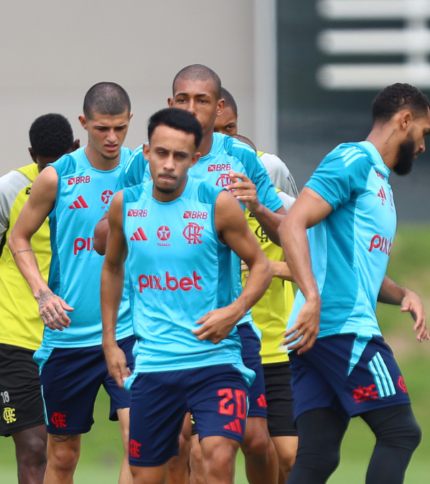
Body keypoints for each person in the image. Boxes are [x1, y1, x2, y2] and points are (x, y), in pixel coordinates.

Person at [99, 65, 286, 484]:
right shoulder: (129, 197)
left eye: (179, 156)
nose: (169, 164)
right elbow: (109, 259)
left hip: (219, 349)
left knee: (236, 448)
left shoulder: (227, 184)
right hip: (155, 357)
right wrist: (110, 340)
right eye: (161, 154)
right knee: (157, 467)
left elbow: (269, 251)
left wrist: (234, 311)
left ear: (194, 158)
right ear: (147, 153)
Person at [280, 83, 430, 484]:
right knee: (401, 432)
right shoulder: (352, 159)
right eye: (424, 133)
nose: (423, 146)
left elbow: (362, 270)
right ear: (404, 120)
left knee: (318, 456)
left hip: (313, 333)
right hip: (339, 327)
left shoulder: (379, 183)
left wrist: (403, 294)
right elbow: (294, 223)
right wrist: (312, 297)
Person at [8, 82, 136, 484]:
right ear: (84, 124)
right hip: (68, 338)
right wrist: (41, 292)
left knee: (141, 442)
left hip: (130, 331)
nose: (112, 138)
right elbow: (18, 237)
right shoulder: (57, 176)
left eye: (119, 127)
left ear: (130, 121)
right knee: (62, 456)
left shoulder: (142, 168)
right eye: (102, 129)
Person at [186, 89, 299, 484]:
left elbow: (301, 250)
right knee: (197, 448)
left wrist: (259, 213)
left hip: (272, 341)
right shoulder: (174, 178)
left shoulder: (264, 178)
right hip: (203, 335)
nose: (222, 139)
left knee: (279, 451)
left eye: (228, 129)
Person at [0, 113, 79, 484]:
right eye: (43, 164)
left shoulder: (92, 189)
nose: (50, 174)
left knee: (63, 450)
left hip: (71, 340)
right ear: (31, 154)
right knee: (33, 447)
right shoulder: (6, 190)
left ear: (75, 150)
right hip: (14, 337)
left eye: (58, 163)